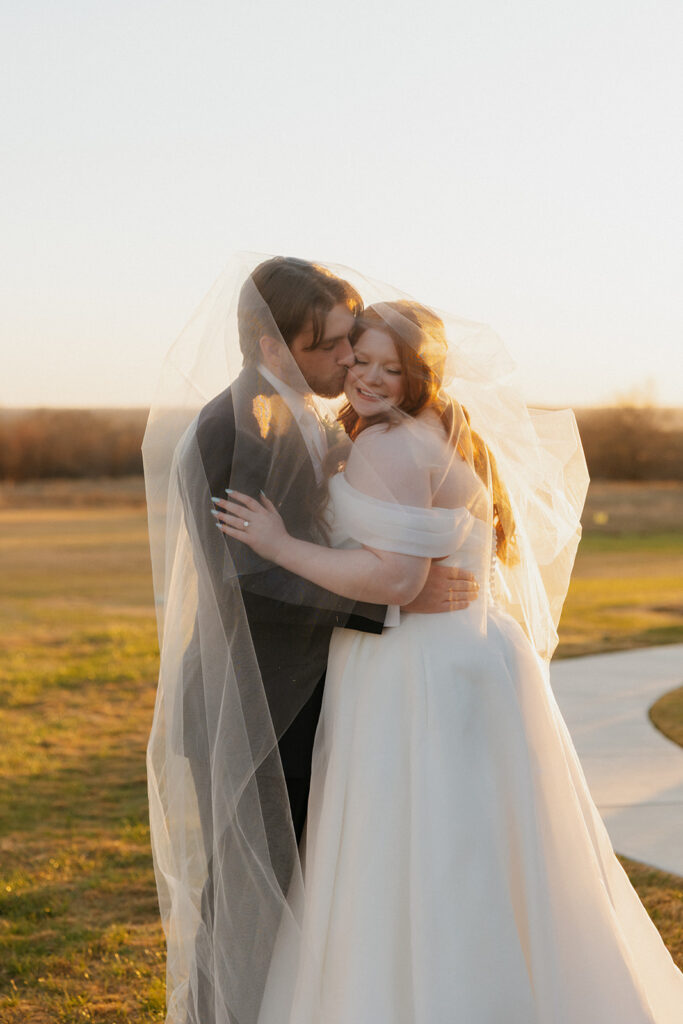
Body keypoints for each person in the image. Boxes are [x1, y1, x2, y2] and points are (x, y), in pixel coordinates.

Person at [216, 299, 683, 1022]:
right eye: (358, 359)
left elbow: (397, 582)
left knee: (417, 851)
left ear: (418, 373)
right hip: (468, 657)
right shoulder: (445, 427)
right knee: (483, 851)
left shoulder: (388, 446)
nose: (366, 377)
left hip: (412, 671)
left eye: (387, 367)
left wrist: (279, 547)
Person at [143, 257, 478, 1024]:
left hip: (305, 699)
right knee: (247, 907)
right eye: (330, 346)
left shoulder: (312, 414)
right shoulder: (234, 425)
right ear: (272, 350)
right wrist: (392, 598)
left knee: (300, 902)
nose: (347, 359)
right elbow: (249, 577)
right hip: (254, 704)